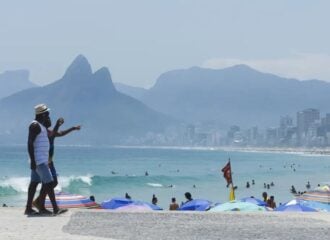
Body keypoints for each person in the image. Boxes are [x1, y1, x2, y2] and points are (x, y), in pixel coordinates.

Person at [24, 104, 67, 215]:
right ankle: (56, 209)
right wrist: (33, 160)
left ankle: (29, 208)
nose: (48, 114)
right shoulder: (35, 126)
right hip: (39, 161)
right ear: (42, 114)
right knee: (49, 182)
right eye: (46, 113)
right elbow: (30, 143)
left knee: (34, 183)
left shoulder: (40, 126)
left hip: (39, 160)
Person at [33, 117, 81, 210]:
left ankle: (38, 202)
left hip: (50, 162)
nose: (50, 120)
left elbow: (60, 133)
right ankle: (41, 204)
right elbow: (52, 134)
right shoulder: (44, 134)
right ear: (45, 122)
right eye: (48, 119)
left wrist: (73, 128)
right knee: (50, 183)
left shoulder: (49, 132)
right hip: (44, 162)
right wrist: (57, 125)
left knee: (52, 183)